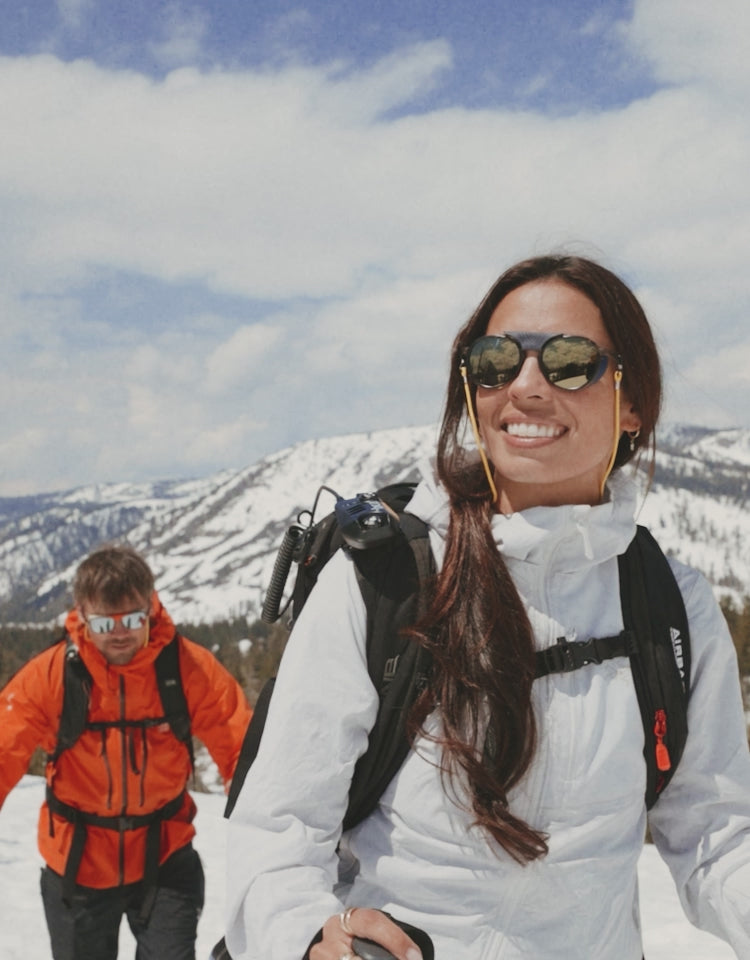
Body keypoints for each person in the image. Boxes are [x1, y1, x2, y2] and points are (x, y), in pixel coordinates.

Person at [222, 255, 750, 959]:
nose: (525, 386)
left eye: (568, 361)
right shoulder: (386, 581)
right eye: (495, 361)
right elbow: (277, 827)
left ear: (633, 402)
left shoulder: (666, 604)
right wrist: (307, 938)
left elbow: (716, 838)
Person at [0, 544, 253, 960]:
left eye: (133, 618)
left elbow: (242, 749)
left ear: (151, 607)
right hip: (77, 866)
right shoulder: (52, 676)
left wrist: (269, 836)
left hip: (165, 856)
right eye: (105, 622)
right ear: (81, 614)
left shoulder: (187, 668)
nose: (120, 632)